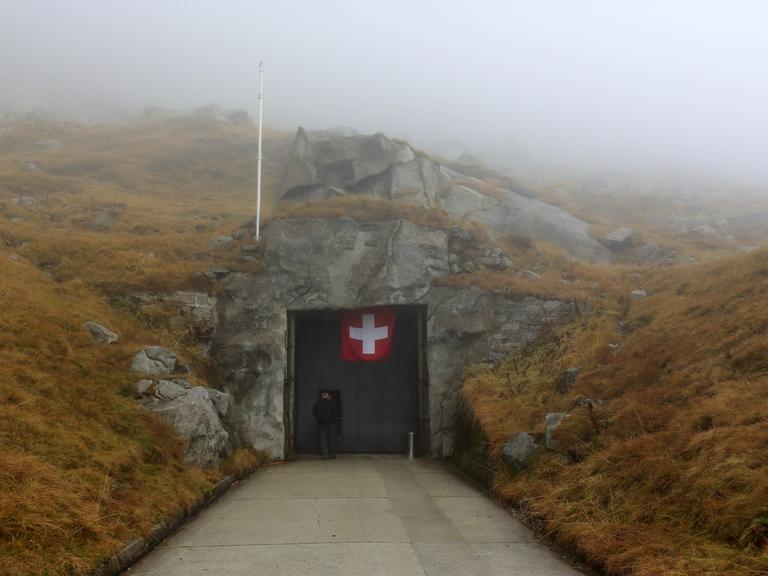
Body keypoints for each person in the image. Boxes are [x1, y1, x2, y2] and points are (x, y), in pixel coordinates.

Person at [312, 392, 340, 460]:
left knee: (323, 439)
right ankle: (332, 454)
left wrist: (318, 418)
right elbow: (337, 411)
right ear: (328, 396)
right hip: (331, 423)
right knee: (332, 438)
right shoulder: (331, 403)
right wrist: (334, 418)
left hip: (321, 423)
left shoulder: (318, 403)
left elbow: (314, 411)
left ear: (322, 397)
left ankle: (325, 455)